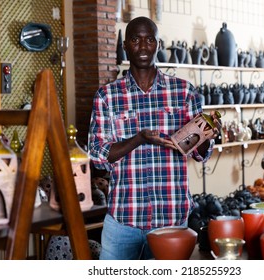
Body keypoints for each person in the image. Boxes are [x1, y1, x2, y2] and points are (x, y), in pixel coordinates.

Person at [88, 16, 220, 260]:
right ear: (125, 45)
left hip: (171, 219)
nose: (143, 46)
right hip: (123, 220)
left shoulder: (184, 92)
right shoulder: (107, 96)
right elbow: (97, 156)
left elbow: (201, 154)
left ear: (158, 44)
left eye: (150, 40)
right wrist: (139, 138)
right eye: (136, 40)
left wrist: (209, 134)